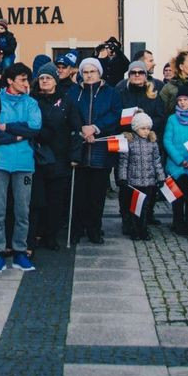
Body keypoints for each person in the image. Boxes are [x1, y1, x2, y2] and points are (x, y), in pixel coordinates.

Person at [0, 63, 43, 273]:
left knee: (22, 210)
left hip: (24, 163)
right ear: (10, 81)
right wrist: (16, 136)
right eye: (22, 79)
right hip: (0, 162)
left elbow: (35, 127)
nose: (26, 84)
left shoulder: (31, 103)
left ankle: (20, 251)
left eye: (27, 80)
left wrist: (7, 127)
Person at [66, 57, 122, 244]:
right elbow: (70, 113)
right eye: (86, 72)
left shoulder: (111, 92)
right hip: (80, 147)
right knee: (78, 194)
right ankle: (77, 229)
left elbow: (115, 114)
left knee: (97, 195)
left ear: (99, 73)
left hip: (101, 148)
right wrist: (82, 129)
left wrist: (96, 128)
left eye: (93, 71)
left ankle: (94, 229)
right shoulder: (74, 92)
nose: (89, 75)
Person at [30, 63, 76, 250]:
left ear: (56, 81)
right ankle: (36, 233)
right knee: (37, 199)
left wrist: (74, 155)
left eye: (48, 78)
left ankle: (51, 235)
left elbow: (75, 129)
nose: (45, 81)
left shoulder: (67, 101)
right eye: (41, 78)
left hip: (59, 157)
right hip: (37, 156)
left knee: (55, 200)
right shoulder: (32, 100)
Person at [162, 90, 188, 236]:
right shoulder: (172, 119)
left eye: (185, 99)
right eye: (179, 100)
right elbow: (167, 140)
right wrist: (180, 160)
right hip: (176, 164)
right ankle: (178, 223)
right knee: (177, 197)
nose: (182, 102)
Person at [117, 111, 165, 241]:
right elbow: (123, 161)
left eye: (148, 128)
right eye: (143, 128)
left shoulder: (152, 142)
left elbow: (156, 161)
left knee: (145, 207)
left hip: (148, 181)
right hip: (134, 181)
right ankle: (134, 230)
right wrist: (122, 177)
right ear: (136, 128)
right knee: (134, 207)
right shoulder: (129, 141)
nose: (146, 131)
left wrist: (160, 177)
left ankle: (143, 229)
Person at [119, 60, 164, 134]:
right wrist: (134, 128)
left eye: (141, 72)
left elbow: (159, 117)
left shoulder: (154, 94)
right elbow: (117, 117)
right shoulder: (121, 95)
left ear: (145, 76)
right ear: (129, 76)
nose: (137, 75)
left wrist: (145, 126)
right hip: (128, 135)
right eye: (133, 72)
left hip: (149, 135)